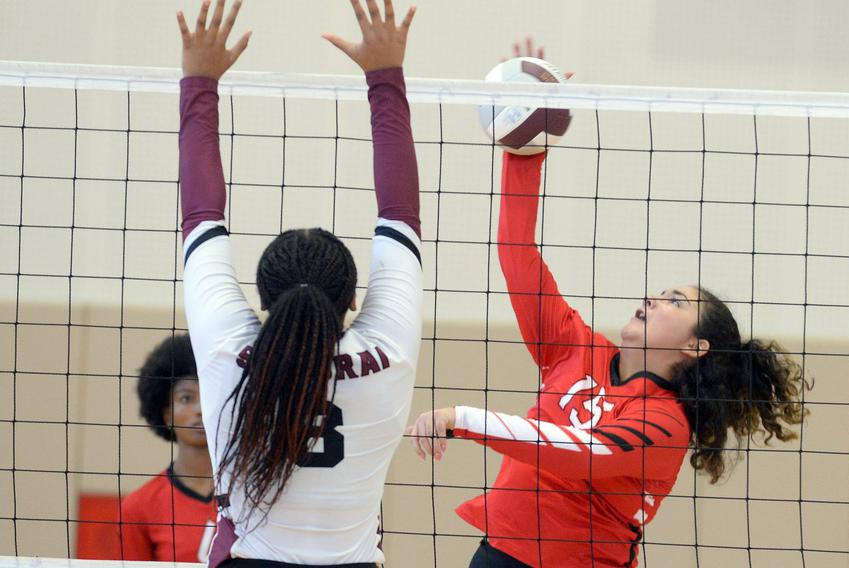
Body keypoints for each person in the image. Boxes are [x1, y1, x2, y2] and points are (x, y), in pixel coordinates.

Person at [407, 41, 810, 568]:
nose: (652, 298)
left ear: (696, 344)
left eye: (674, 301)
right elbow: (516, 253)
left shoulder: (666, 424)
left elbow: (583, 455)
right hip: (498, 555)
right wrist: (525, 146)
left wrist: (464, 418)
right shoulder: (573, 346)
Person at [176, 0, 421, 565]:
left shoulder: (224, 349)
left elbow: (199, 215)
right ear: (354, 299)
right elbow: (400, 214)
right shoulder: (390, 354)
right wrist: (384, 76)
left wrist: (199, 83)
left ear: (262, 302)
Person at [120, 333, 217, 562]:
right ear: (166, 414)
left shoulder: (253, 496)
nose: (200, 409)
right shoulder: (139, 506)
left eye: (210, 395)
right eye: (186, 398)